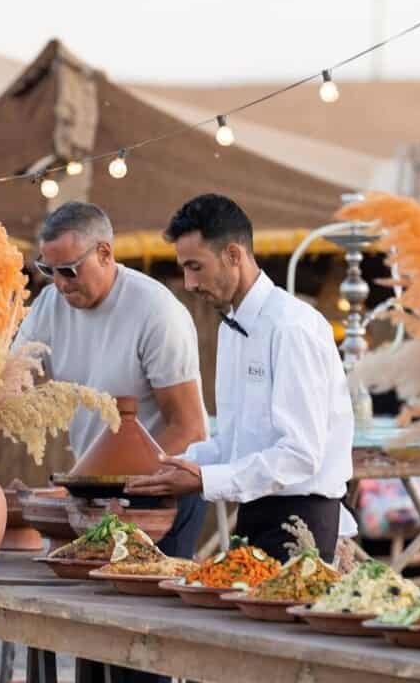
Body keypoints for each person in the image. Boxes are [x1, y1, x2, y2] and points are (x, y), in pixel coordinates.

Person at [13, 201, 208, 683]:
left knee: (140, 654)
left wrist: (128, 492)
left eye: (68, 270)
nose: (59, 283)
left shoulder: (156, 311)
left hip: (161, 494)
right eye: (48, 270)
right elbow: (14, 379)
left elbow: (189, 426)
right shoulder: (50, 304)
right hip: (95, 495)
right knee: (93, 646)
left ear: (105, 252)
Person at [127, 194, 355, 563]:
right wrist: (168, 465)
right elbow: (235, 445)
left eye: (195, 267)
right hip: (252, 512)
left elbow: (300, 456)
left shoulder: (292, 327)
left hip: (304, 520)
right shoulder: (231, 329)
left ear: (234, 255)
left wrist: (204, 480)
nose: (187, 282)